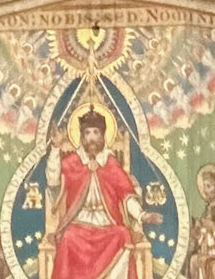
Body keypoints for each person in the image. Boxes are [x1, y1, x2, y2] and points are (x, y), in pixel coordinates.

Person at [45, 107, 155, 279]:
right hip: (79, 224)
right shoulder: (73, 162)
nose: (91, 138)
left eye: (96, 132)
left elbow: (126, 195)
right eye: (87, 133)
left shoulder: (111, 164)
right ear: (82, 137)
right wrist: (55, 147)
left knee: (123, 234)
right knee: (67, 237)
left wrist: (142, 215)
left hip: (107, 224)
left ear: (103, 136)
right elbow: (53, 180)